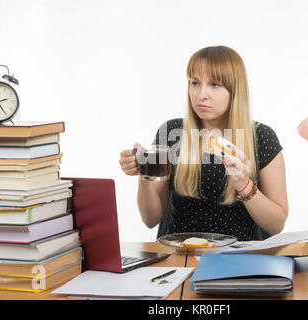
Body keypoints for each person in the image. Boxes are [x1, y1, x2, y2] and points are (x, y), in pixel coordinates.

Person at [119, 45, 288, 241]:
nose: (201, 94)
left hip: (240, 258)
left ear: (235, 90)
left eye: (215, 84)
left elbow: (276, 225)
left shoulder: (261, 137)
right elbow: (151, 218)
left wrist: (244, 185)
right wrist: (144, 172)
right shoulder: (172, 133)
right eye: (195, 82)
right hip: (180, 256)